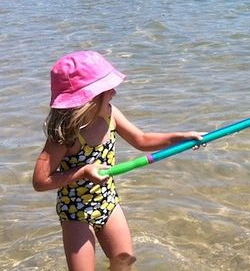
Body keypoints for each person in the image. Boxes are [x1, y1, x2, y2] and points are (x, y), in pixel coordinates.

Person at [32, 51, 203, 270]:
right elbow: (40, 181)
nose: (113, 92)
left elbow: (141, 140)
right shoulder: (65, 134)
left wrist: (179, 137)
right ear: (88, 99)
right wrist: (83, 171)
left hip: (108, 201)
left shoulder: (110, 114)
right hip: (75, 211)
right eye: (107, 89)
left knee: (125, 260)